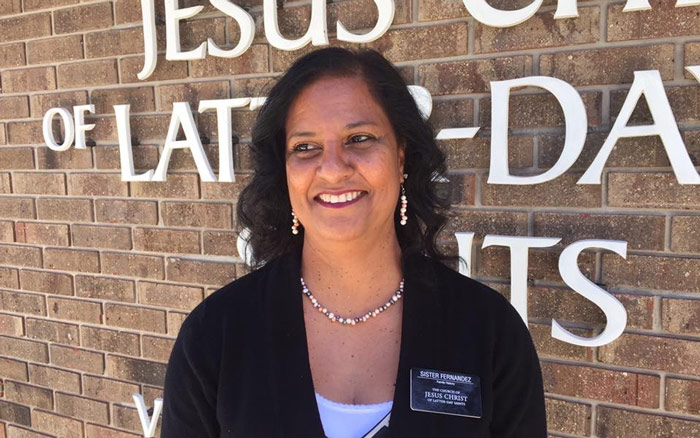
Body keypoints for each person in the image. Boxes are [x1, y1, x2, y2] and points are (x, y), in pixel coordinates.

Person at [161, 47, 547, 438]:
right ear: (284, 172)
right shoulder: (216, 335)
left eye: (359, 138)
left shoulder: (488, 330)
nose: (331, 169)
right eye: (305, 147)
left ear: (401, 157)